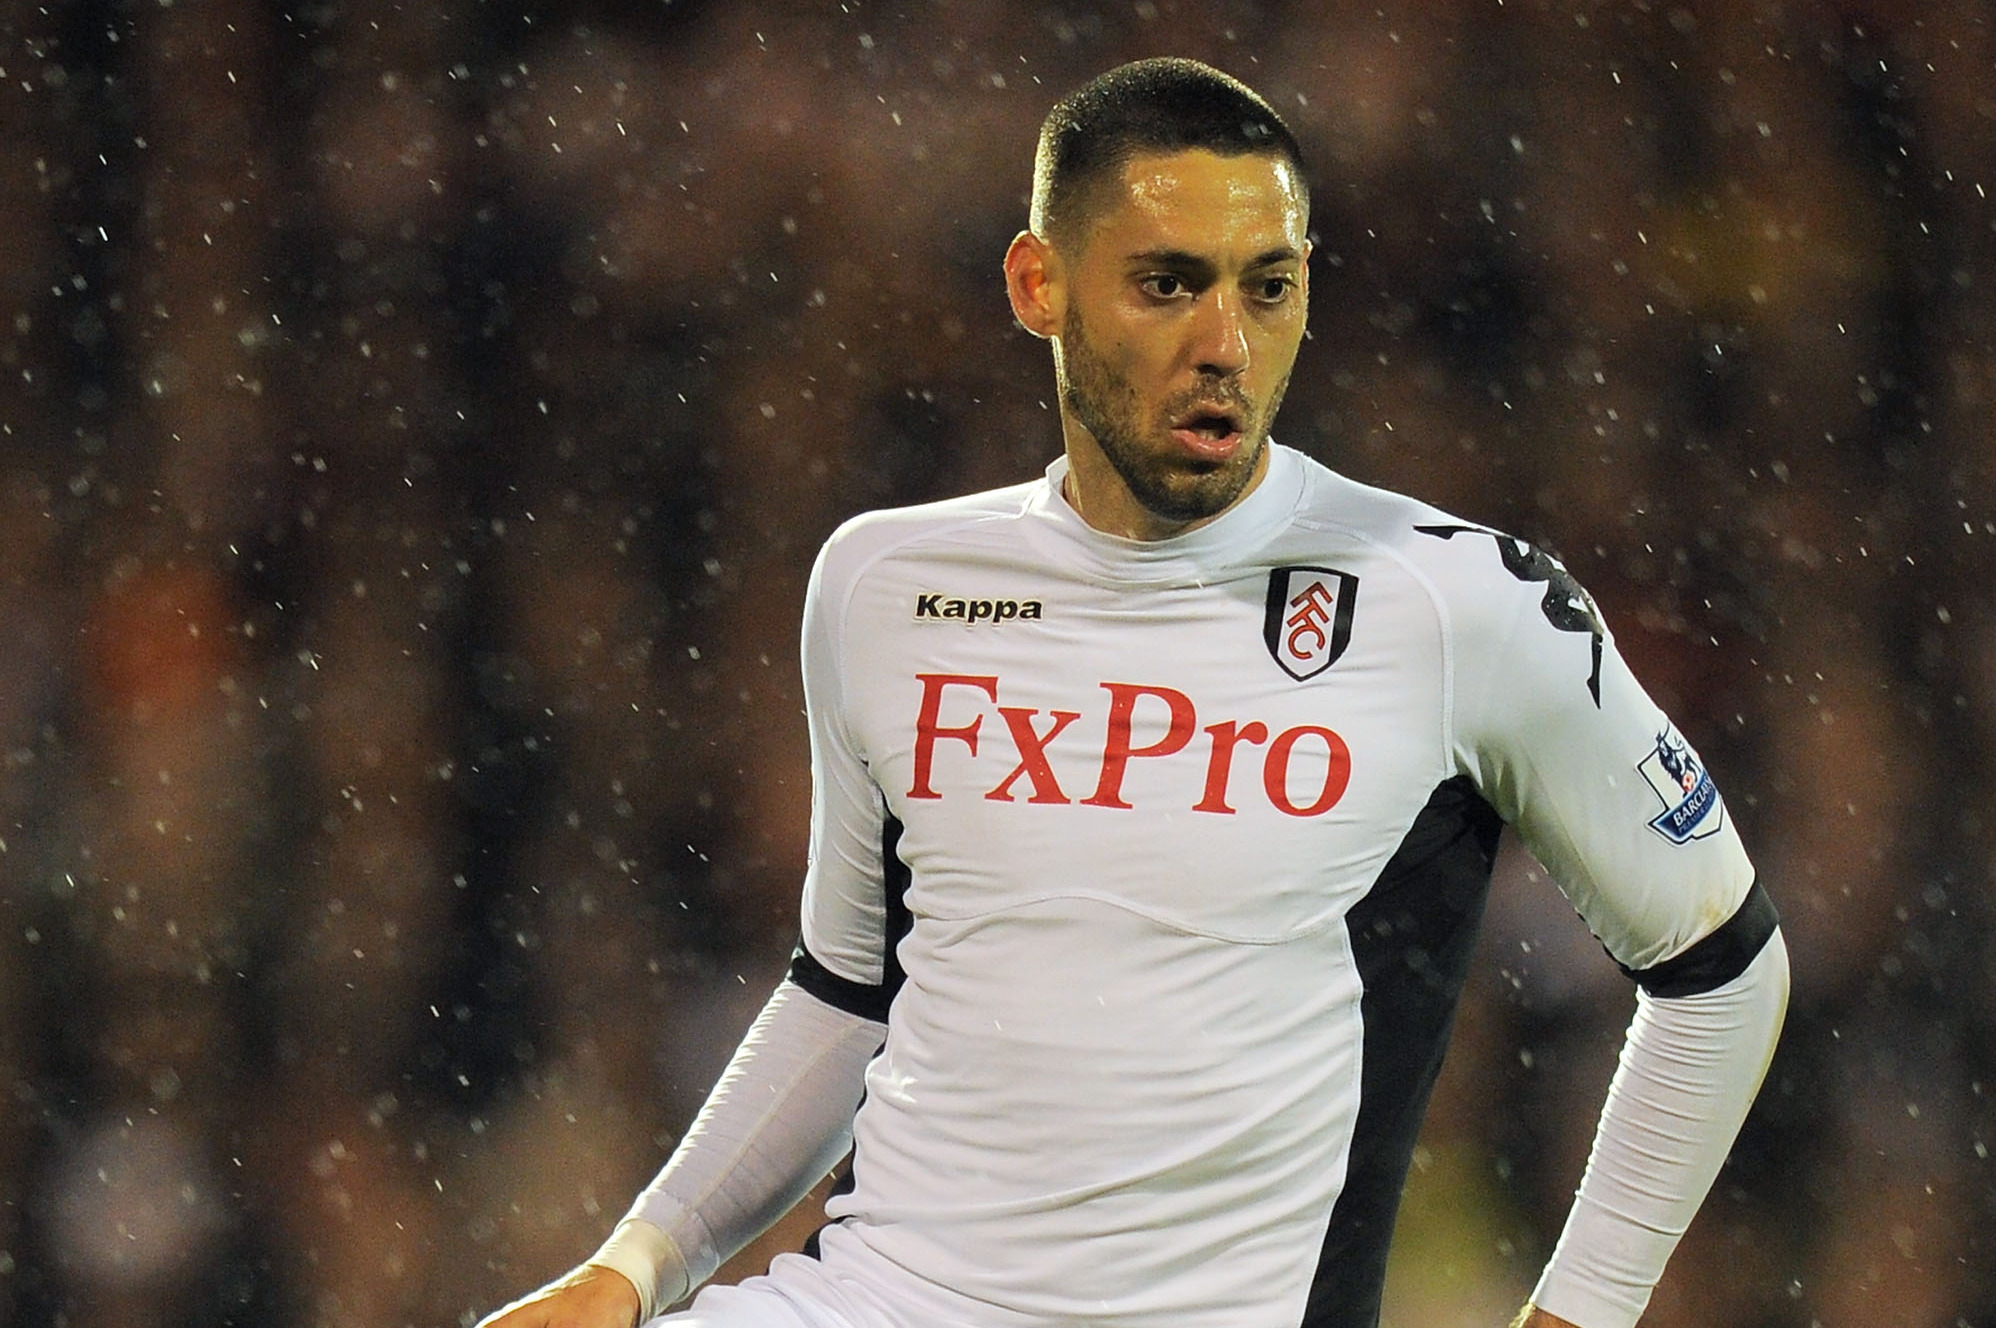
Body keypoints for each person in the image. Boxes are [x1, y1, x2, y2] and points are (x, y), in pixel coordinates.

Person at [478, 57, 1789, 1328]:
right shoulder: (888, 587)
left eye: (1267, 287)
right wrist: (636, 1267)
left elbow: (1725, 971)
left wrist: (1581, 1313)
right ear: (1038, 285)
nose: (1225, 343)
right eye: (1169, 284)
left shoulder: (1460, 605)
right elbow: (851, 988)